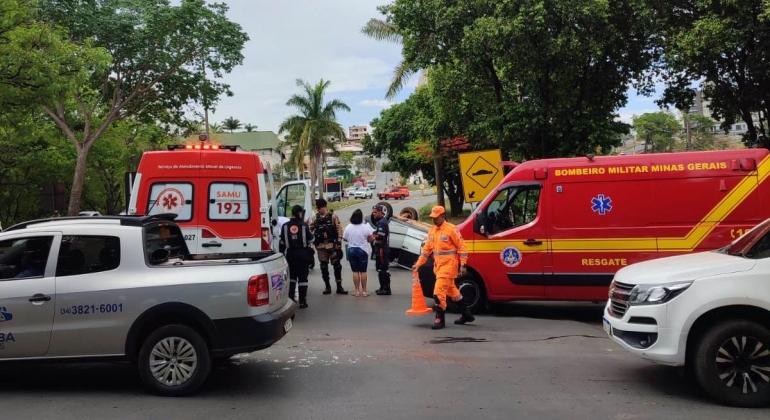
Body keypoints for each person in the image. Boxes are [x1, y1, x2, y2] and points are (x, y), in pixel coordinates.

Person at [412, 205, 474, 330]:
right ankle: (466, 314)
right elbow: (426, 250)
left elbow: (462, 247)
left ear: (443, 216)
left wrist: (463, 264)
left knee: (438, 293)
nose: (434, 220)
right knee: (453, 292)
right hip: (438, 268)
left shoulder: (451, 229)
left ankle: (439, 318)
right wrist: (418, 264)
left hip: (448, 267)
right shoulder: (432, 231)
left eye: (436, 217)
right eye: (432, 217)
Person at [309, 199, 348, 295]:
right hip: (321, 246)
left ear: (324, 207)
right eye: (317, 208)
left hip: (332, 245)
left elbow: (339, 228)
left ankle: (339, 287)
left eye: (319, 208)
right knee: (323, 267)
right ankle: (327, 287)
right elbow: (311, 228)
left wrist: (339, 241)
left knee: (337, 266)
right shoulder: (316, 218)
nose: (318, 210)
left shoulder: (333, 216)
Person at [280, 205, 314, 308]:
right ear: (300, 213)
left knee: (292, 278)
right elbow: (312, 239)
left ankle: (290, 300)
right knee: (303, 279)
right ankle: (303, 302)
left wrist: (282, 255)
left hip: (290, 255)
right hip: (303, 255)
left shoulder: (285, 226)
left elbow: (282, 243)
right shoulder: (304, 226)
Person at [342, 209, 375, 297]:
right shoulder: (365, 227)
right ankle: (364, 291)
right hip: (362, 250)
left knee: (355, 271)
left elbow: (344, 238)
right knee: (363, 271)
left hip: (352, 250)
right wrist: (367, 240)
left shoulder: (349, 226)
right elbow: (371, 238)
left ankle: (356, 291)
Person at [371, 204, 391, 296]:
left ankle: (386, 288)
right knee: (379, 268)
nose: (373, 214)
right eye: (373, 212)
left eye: (375, 212)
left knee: (383, 268)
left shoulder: (382, 222)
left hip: (382, 248)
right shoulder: (380, 222)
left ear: (380, 212)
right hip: (379, 248)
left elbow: (380, 236)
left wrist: (373, 236)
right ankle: (382, 287)